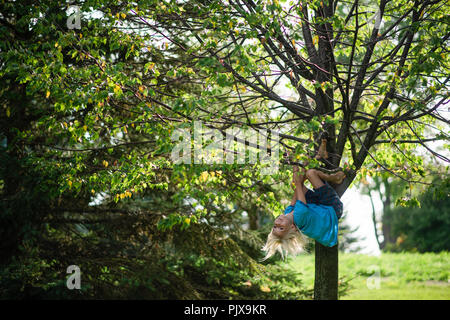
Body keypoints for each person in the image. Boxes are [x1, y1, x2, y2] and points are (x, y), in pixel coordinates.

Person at [262, 165, 345, 260]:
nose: (277, 223)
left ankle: (311, 161)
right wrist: (298, 170)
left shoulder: (288, 213)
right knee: (310, 173)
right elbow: (299, 185)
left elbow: (296, 189)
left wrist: (296, 167)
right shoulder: (299, 218)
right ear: (292, 227)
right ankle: (334, 178)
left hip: (316, 206)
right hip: (332, 208)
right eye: (281, 227)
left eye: (275, 227)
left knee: (296, 181)